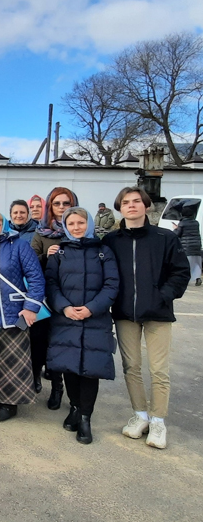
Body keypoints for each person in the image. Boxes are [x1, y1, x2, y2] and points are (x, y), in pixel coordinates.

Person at [103, 187, 189, 449]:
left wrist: (163, 295)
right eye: (126, 203)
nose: (131, 206)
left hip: (158, 314)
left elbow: (181, 272)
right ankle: (140, 415)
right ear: (120, 208)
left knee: (159, 370)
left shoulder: (165, 238)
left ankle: (158, 421)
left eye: (136, 202)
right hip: (125, 313)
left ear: (147, 206)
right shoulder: (111, 240)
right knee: (131, 367)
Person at [45, 207, 119, 444]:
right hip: (66, 317)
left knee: (90, 369)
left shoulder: (103, 251)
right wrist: (65, 307)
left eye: (80, 222)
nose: (76, 227)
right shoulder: (59, 252)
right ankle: (75, 407)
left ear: (88, 224)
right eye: (72, 223)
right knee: (69, 367)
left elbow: (112, 284)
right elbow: (51, 284)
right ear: (66, 226)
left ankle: (86, 417)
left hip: (94, 318)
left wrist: (92, 308)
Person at [0, 211, 44, 422]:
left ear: (4, 225)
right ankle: (0, 399)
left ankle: (10, 405)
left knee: (13, 362)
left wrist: (31, 307)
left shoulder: (19, 245)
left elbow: (35, 277)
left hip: (14, 313)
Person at [30, 187, 79, 410]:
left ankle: (60, 389)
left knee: (63, 345)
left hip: (72, 299)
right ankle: (42, 381)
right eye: (57, 203)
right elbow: (30, 264)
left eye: (65, 203)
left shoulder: (79, 231)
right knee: (39, 342)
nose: (61, 208)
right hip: (45, 299)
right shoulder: (41, 233)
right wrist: (45, 256)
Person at [173, 202, 202, 286]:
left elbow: (177, 234)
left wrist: (175, 228)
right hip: (196, 246)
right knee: (197, 262)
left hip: (187, 246)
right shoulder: (196, 222)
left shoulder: (182, 223)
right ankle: (197, 278)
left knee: (186, 263)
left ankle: (185, 279)